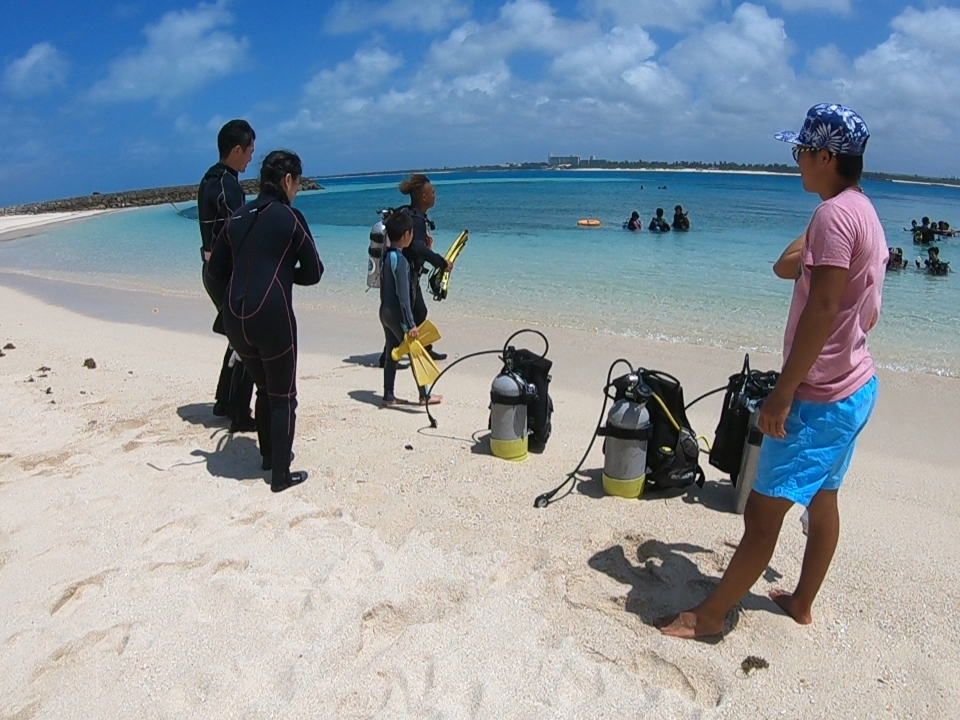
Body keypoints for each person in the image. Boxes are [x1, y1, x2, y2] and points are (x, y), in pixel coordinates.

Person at [659, 103, 886, 639]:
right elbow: (786, 267)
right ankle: (801, 601)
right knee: (823, 498)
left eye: (801, 151)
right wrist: (817, 226)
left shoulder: (834, 217)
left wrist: (783, 394)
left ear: (826, 156)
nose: (795, 160)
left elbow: (822, 309)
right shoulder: (857, 209)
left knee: (762, 515)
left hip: (820, 395)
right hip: (855, 385)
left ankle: (710, 616)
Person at [205, 150, 323, 493]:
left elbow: (214, 271)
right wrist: (282, 275)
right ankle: (280, 475)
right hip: (271, 314)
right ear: (287, 180)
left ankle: (269, 457)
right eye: (297, 183)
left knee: (264, 387)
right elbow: (314, 272)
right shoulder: (290, 217)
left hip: (234, 316)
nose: (297, 190)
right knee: (284, 396)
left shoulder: (238, 216)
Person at [198, 119, 256, 433]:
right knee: (247, 338)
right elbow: (239, 232)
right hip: (226, 273)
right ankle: (239, 413)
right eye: (249, 152)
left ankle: (224, 401)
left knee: (237, 337)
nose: (250, 158)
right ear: (236, 150)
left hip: (211, 271)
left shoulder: (210, 179)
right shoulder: (228, 185)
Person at [378, 211, 442, 407]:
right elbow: (404, 297)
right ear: (407, 234)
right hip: (397, 315)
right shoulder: (401, 261)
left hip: (384, 312)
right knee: (415, 351)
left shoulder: (386, 256)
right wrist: (411, 323)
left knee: (392, 352)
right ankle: (424, 395)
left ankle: (389, 395)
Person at [396, 174, 452, 362]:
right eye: (432, 192)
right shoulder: (417, 220)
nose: (435, 195)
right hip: (407, 275)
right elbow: (417, 248)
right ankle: (389, 355)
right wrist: (441, 263)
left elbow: (415, 246)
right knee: (409, 314)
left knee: (418, 312)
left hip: (403, 272)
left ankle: (424, 349)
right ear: (424, 197)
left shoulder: (408, 214)